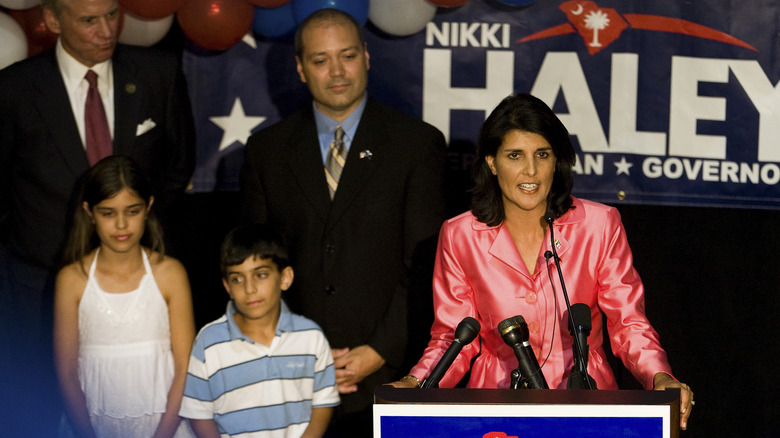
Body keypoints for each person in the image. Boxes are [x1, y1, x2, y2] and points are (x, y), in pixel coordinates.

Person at [389, 94, 695, 430]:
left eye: (542, 155)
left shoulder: (599, 224)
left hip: (586, 405)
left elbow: (627, 322)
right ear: (492, 162)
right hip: (495, 410)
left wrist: (660, 377)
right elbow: (453, 338)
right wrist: (415, 382)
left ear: (557, 161)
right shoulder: (460, 235)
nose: (531, 171)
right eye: (515, 155)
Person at [239, 8, 447, 435]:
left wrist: (378, 351)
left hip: (387, 374)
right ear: (300, 68)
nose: (337, 71)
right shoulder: (267, 151)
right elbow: (255, 265)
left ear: (367, 57)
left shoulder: (417, 145)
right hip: (290, 375)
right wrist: (296, 350)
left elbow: (427, 265)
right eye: (320, 60)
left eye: (347, 56)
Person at [0, 0, 195, 433]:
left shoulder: (157, 75)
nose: (106, 30)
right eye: (89, 20)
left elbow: (177, 167)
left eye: (111, 15)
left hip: (140, 290)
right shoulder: (13, 90)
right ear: (52, 20)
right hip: (38, 288)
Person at [53, 155, 195, 438]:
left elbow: (185, 369)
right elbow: (66, 372)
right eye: (108, 213)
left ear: (148, 208)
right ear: (89, 212)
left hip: (164, 426)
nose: (121, 225)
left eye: (132, 211)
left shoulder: (170, 274)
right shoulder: (72, 280)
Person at [179, 224, 340, 438]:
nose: (249, 289)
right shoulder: (209, 342)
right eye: (237, 279)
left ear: (285, 278)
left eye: (261, 275)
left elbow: (323, 404)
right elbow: (198, 413)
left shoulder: (310, 337)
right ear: (227, 287)